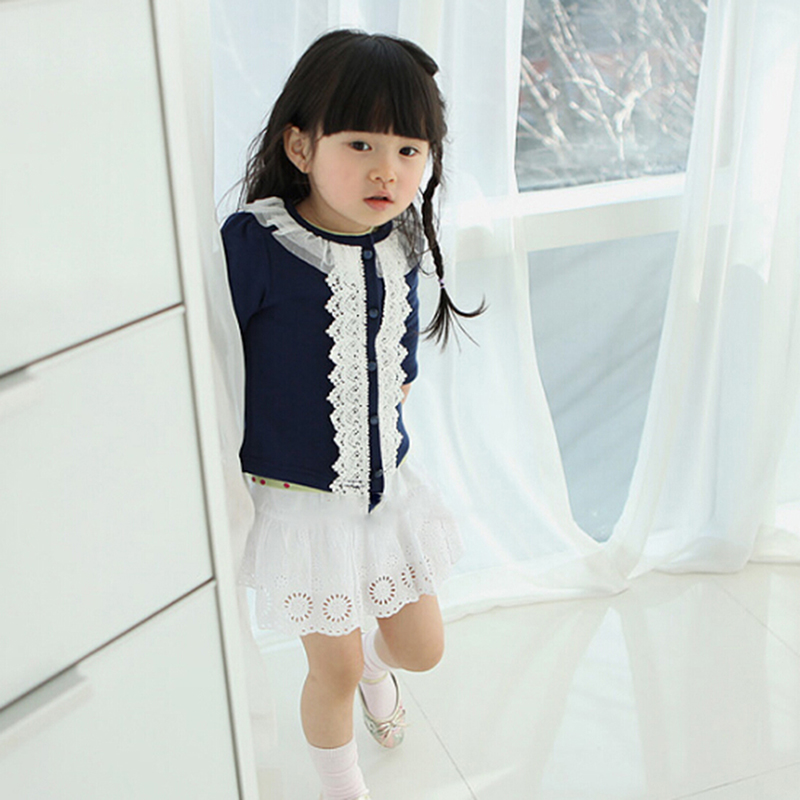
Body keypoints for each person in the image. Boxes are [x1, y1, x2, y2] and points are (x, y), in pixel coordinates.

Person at [221, 29, 481, 800]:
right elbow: (215, 356)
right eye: (361, 143)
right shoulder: (258, 243)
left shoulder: (398, 241)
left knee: (422, 649)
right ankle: (343, 785)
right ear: (301, 146)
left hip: (384, 489)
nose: (386, 169)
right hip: (301, 504)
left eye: (409, 150)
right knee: (328, 669)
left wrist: (394, 391)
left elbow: (397, 344)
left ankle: (375, 666)